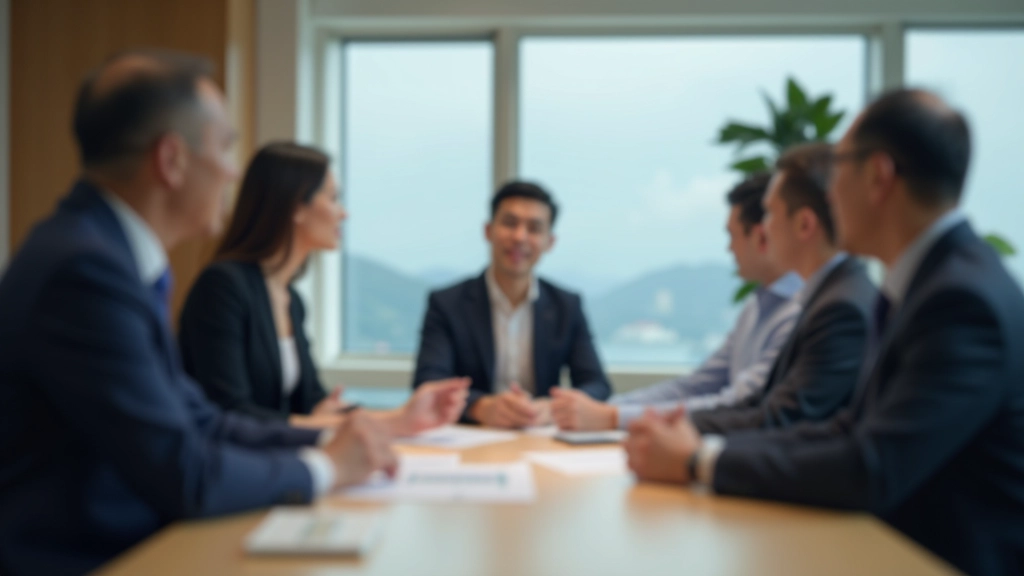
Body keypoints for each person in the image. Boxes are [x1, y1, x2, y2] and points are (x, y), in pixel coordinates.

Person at [0, 51, 463, 576]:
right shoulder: (85, 271)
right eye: (224, 147)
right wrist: (326, 466)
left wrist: (329, 439)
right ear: (171, 160)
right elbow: (183, 470)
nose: (232, 171)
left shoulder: (106, 254)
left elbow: (201, 420)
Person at [624, 89, 1024, 576]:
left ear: (879, 175)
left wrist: (698, 463)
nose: (829, 191)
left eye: (837, 167)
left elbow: (872, 465)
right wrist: (701, 453)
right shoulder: (932, 282)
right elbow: (852, 428)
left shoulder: (960, 301)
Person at [179, 142, 470, 433]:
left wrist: (405, 415)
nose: (343, 213)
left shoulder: (291, 300)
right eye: (333, 198)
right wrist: (392, 421)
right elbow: (229, 412)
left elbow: (312, 404)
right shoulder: (222, 287)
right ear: (296, 207)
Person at [549, 173, 804, 431]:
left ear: (760, 237)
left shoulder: (797, 313)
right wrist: (608, 409)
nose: (729, 249)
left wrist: (612, 416)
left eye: (732, 235)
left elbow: (740, 401)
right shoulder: (755, 308)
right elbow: (699, 384)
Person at [676, 143, 876, 435]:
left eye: (769, 213)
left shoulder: (839, 307)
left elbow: (782, 417)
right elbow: (764, 405)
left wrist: (692, 452)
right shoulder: (826, 295)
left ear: (804, 224)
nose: (763, 230)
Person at [412, 181, 611, 429]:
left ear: (550, 241)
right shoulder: (447, 303)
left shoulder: (566, 305)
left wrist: (553, 408)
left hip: (542, 439)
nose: (520, 237)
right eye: (509, 223)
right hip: (470, 439)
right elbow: (428, 383)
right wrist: (481, 406)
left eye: (534, 228)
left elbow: (597, 384)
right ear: (488, 230)